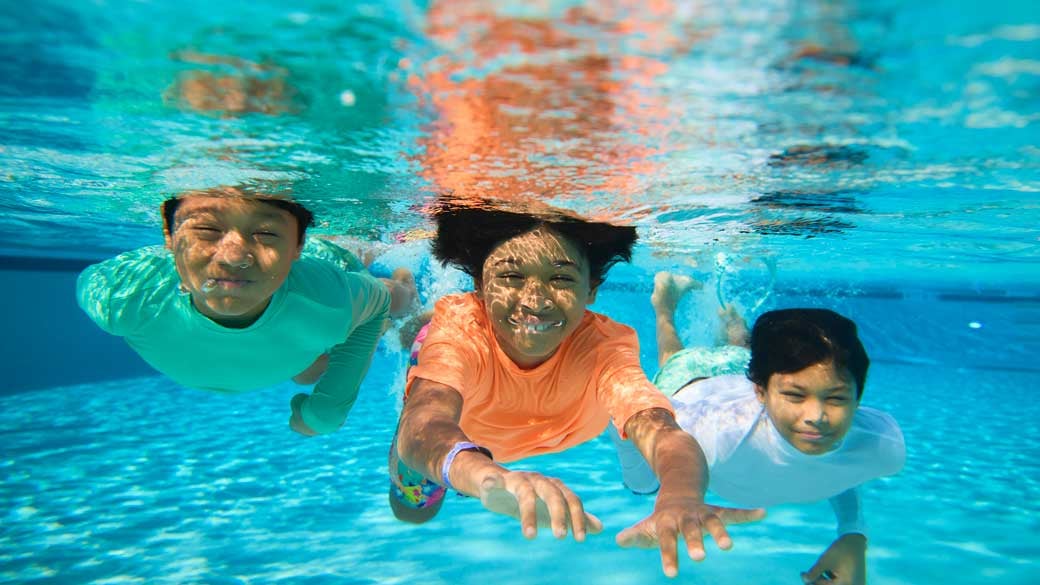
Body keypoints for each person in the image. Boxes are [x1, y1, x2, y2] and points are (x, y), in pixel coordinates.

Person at [387, 200, 764, 578]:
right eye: (512, 276)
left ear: (591, 289)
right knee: (411, 511)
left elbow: (661, 430)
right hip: (461, 402)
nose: (535, 300)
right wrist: (485, 475)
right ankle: (418, 317)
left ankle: (417, 314)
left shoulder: (604, 348)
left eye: (561, 279)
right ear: (481, 285)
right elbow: (423, 426)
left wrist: (681, 494)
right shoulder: (461, 334)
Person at [614, 272, 905, 585]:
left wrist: (852, 535)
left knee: (743, 354)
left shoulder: (882, 445)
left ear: (859, 397)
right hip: (690, 384)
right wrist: (680, 496)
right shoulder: (719, 432)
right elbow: (673, 445)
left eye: (836, 398)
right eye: (795, 396)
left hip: (738, 369)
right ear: (761, 393)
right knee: (673, 357)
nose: (817, 416)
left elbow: (847, 463)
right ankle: (665, 306)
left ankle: (733, 325)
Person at [77, 186, 417, 436]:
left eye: (265, 232)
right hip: (297, 340)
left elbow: (378, 303)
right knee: (309, 366)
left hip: (328, 265)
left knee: (389, 299)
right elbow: (91, 282)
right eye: (207, 229)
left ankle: (405, 285)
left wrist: (329, 410)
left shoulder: (325, 297)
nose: (233, 257)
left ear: (298, 245)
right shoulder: (126, 296)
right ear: (169, 234)